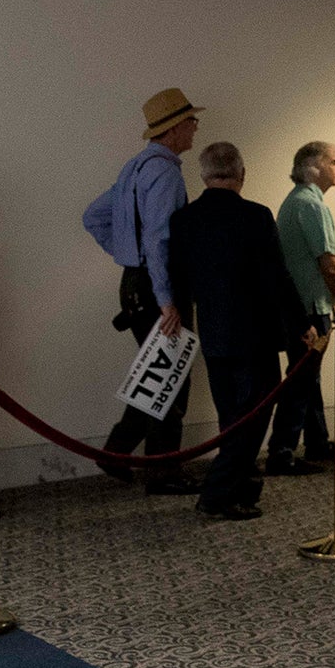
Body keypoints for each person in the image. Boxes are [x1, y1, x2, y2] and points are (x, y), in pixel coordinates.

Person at [167, 142, 322, 519]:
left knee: (230, 418)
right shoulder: (255, 216)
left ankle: (242, 487)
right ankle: (218, 493)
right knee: (253, 419)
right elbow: (278, 278)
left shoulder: (184, 220)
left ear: (203, 175)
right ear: (242, 174)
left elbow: (179, 279)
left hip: (215, 333)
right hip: (255, 334)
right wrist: (302, 325)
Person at [82, 87, 203, 494]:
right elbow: (159, 240)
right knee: (172, 377)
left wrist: (126, 255)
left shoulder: (135, 166)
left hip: (136, 285)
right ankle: (162, 472)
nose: (195, 126)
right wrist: (166, 298)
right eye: (190, 120)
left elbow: (94, 216)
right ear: (174, 128)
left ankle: (116, 452)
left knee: (157, 370)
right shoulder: (165, 172)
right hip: (158, 287)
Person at [268, 140, 335, 473]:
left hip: (297, 306)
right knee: (301, 380)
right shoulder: (312, 206)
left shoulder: (294, 202)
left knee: (308, 377)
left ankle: (316, 441)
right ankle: (281, 452)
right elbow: (327, 262)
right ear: (314, 167)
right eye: (333, 161)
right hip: (310, 310)